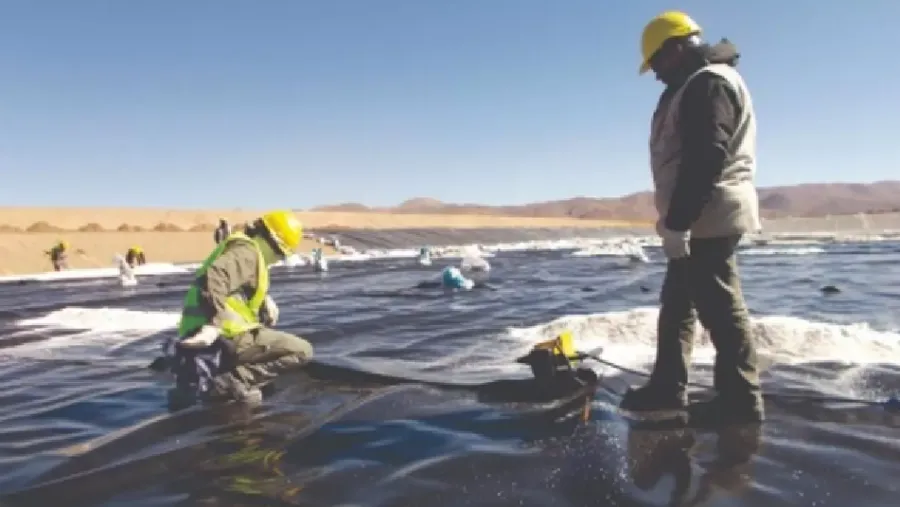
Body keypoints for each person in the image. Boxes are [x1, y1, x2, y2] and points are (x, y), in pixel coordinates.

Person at [620, 11, 763, 425]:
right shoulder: (690, 85)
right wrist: (676, 221)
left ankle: (741, 401)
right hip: (695, 214)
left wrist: (680, 222)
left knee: (720, 306)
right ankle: (667, 387)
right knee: (678, 305)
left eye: (657, 62)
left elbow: (707, 157)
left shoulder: (709, 83)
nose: (655, 73)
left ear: (677, 48)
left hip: (709, 215)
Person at [167, 210, 314, 407]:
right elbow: (216, 276)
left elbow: (231, 283)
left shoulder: (244, 248)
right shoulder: (248, 253)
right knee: (302, 351)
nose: (278, 260)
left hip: (200, 333)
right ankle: (231, 381)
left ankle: (222, 377)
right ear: (272, 242)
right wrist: (213, 325)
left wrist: (264, 300)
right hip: (223, 336)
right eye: (280, 254)